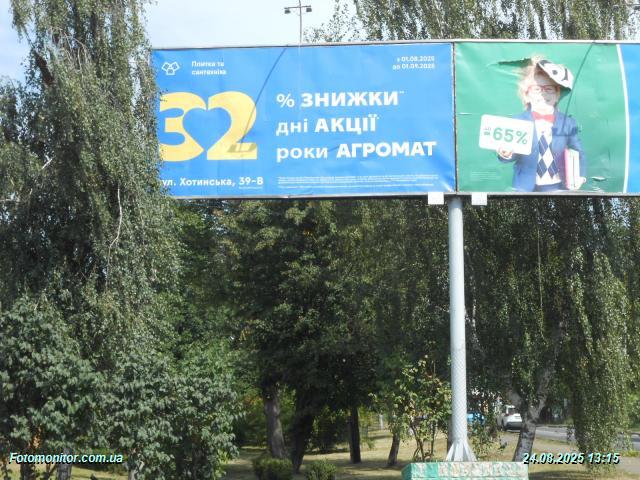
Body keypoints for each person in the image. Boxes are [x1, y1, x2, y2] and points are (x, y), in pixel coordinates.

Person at [497, 56, 586, 192]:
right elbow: (510, 157)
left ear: (557, 95)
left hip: (558, 186)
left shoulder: (567, 123)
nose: (543, 94)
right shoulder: (517, 121)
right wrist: (506, 153)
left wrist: (580, 176)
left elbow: (578, 152)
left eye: (549, 89)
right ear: (526, 95)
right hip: (525, 187)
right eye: (537, 89)